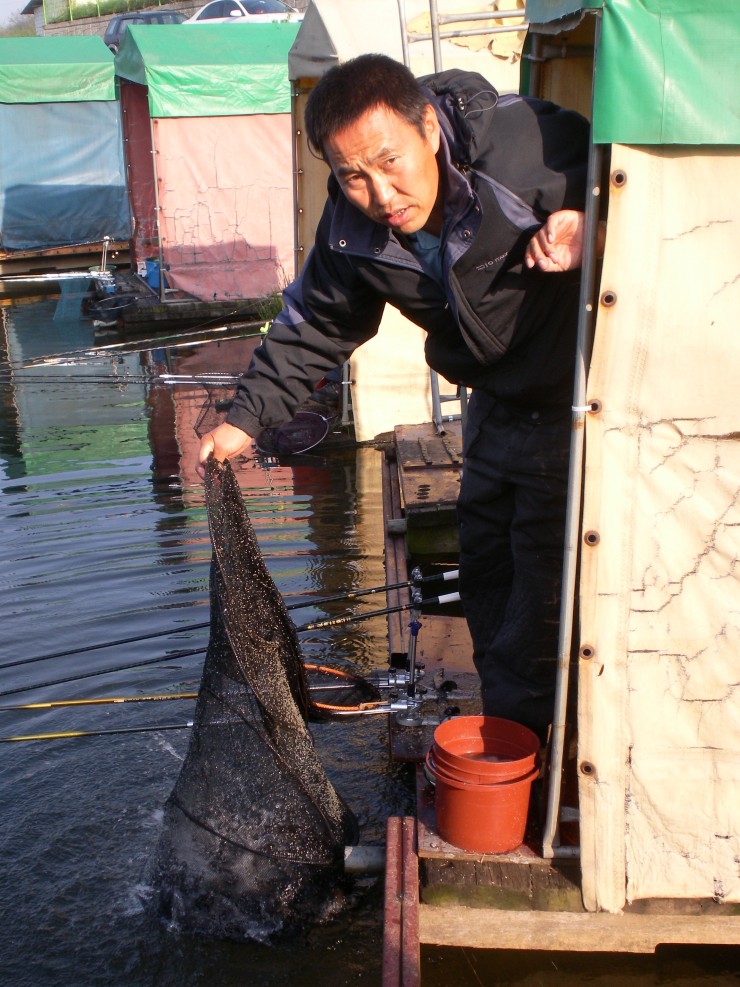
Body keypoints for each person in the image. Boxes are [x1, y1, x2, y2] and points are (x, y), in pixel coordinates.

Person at [197, 53, 599, 743]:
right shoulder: (350, 228)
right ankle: (514, 728)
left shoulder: (526, 143)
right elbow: (317, 324)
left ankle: (534, 763)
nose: (381, 194)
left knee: (543, 595)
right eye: (352, 175)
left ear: (429, 130)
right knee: (485, 567)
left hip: (576, 399)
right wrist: (243, 421)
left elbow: (652, 193)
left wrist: (595, 226)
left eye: (390, 162)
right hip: (495, 403)